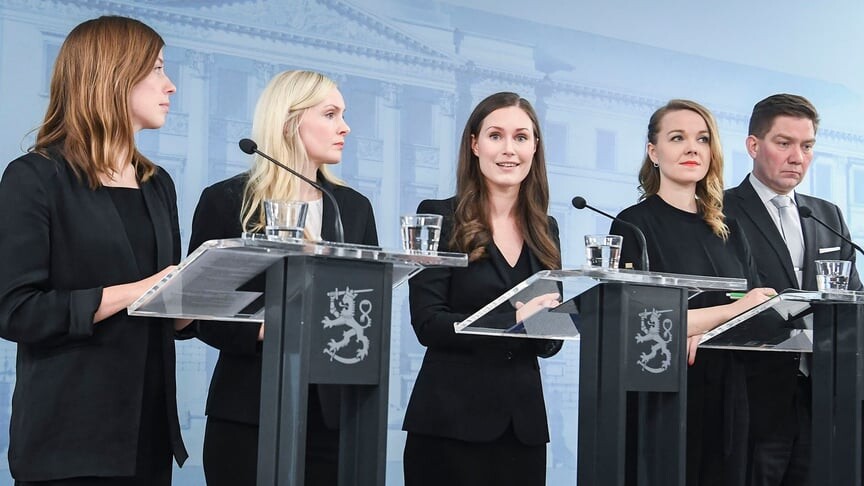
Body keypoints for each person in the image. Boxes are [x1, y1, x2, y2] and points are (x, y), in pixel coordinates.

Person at [0, 16, 187, 485]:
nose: (171, 85)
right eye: (157, 69)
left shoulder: (158, 184)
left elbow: (168, 304)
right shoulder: (35, 177)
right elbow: (15, 311)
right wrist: (138, 291)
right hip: (68, 443)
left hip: (148, 437)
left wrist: (210, 293)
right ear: (113, 75)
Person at [186, 70, 378, 485]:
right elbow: (198, 308)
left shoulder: (353, 207)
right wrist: (268, 329)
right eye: (330, 114)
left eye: (343, 114)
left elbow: (368, 302)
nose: (345, 127)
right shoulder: (228, 200)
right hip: (248, 412)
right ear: (290, 122)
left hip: (333, 418)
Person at [610, 99, 774, 486]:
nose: (692, 148)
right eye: (677, 138)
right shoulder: (633, 225)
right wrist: (725, 315)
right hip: (662, 395)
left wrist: (702, 326)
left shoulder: (729, 227)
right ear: (653, 152)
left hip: (728, 396)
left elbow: (758, 307)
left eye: (702, 139)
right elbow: (641, 324)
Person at [402, 91, 563, 485]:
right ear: (475, 145)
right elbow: (428, 323)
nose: (509, 149)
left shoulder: (546, 228)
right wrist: (512, 320)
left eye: (521, 137)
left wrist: (563, 321)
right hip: (450, 423)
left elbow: (548, 342)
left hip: (522, 430)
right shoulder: (438, 216)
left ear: (535, 147)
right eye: (495, 136)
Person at [724, 93, 862, 486]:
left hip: (823, 396)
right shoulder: (720, 211)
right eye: (784, 143)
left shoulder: (826, 214)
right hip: (751, 399)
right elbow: (724, 297)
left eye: (807, 146)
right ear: (754, 146)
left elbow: (852, 297)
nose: (797, 157)